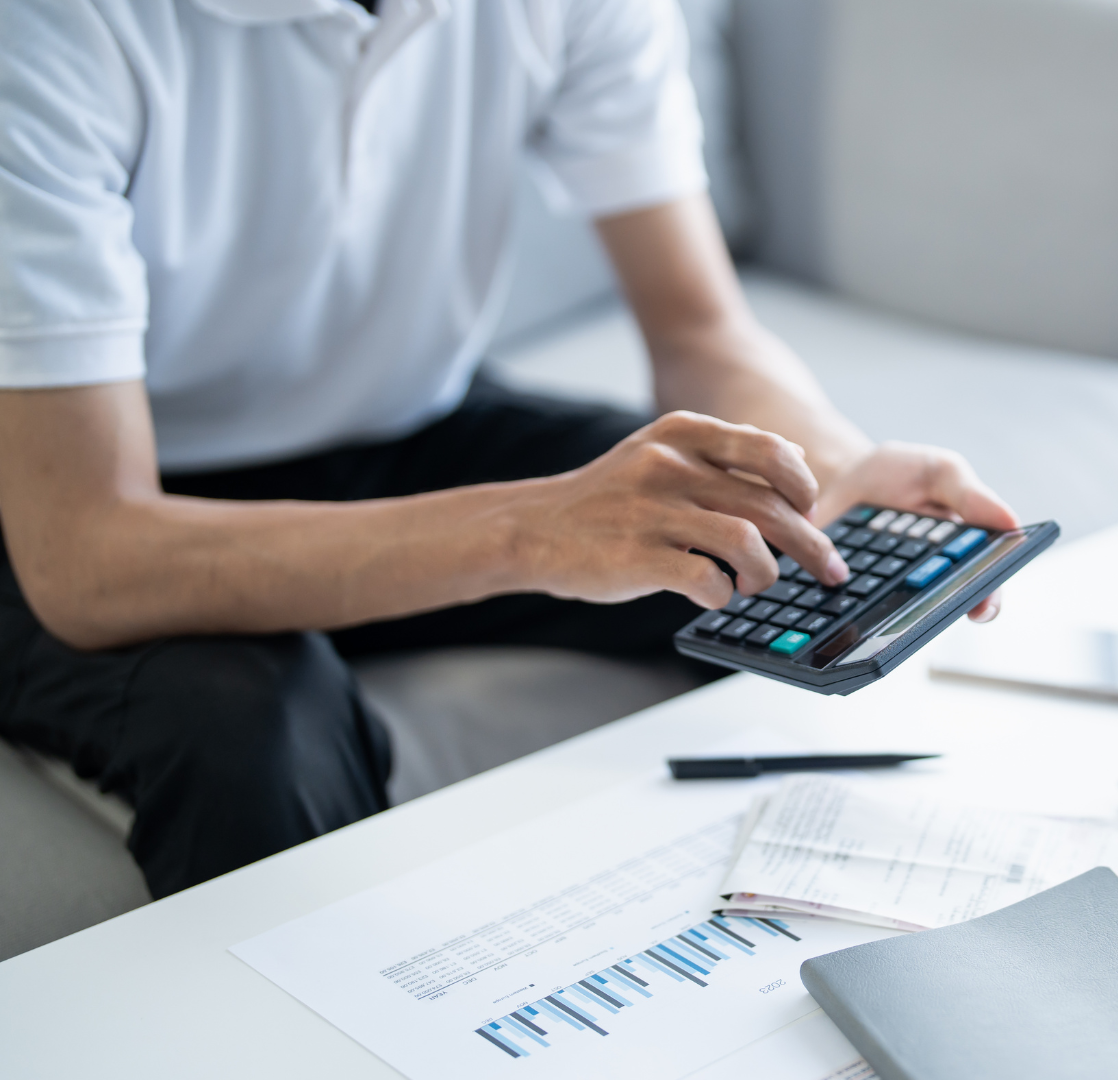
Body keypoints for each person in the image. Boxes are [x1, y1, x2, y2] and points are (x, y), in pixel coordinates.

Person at [0, 0, 1016, 899]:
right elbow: (89, 555)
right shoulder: (50, 33)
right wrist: (531, 532)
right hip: (71, 487)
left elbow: (701, 333)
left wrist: (832, 474)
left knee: (756, 559)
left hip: (407, 422)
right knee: (243, 727)